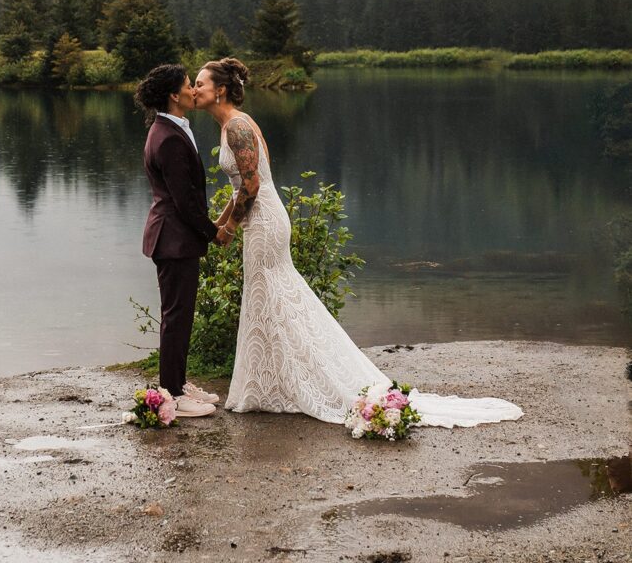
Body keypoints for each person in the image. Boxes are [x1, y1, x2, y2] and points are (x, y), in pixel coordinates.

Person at [194, 57, 523, 429]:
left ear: (219, 90)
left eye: (200, 84)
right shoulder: (231, 126)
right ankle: (272, 385)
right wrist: (217, 225)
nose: (194, 90)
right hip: (260, 218)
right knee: (268, 298)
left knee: (272, 295)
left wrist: (230, 229)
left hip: (266, 222)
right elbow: (241, 186)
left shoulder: (237, 126)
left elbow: (253, 186)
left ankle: (307, 382)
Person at [134, 64, 226, 418]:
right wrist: (213, 231)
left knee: (180, 314)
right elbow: (184, 200)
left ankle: (179, 382)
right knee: (176, 315)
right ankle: (172, 392)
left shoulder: (170, 129)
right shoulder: (168, 137)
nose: (193, 90)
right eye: (189, 85)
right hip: (173, 238)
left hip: (175, 237)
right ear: (175, 95)